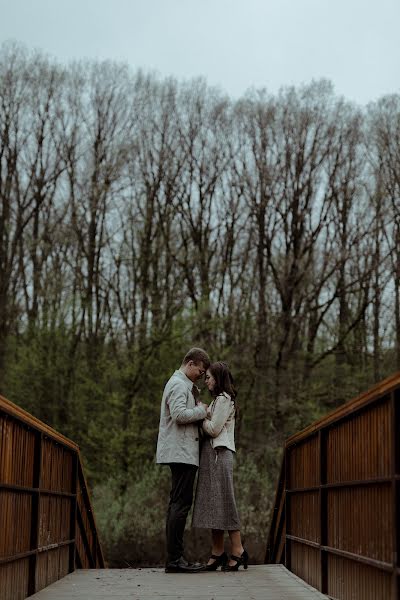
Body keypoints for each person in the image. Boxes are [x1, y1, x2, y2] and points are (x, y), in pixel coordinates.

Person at [156, 347, 210, 573]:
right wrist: (202, 411)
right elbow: (179, 415)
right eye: (200, 369)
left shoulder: (181, 383)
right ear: (190, 363)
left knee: (177, 504)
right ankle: (175, 560)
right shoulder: (179, 384)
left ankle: (174, 558)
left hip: (180, 452)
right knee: (180, 505)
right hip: (181, 453)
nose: (201, 374)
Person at [192, 361, 248, 571]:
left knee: (225, 502)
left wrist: (199, 416)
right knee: (214, 505)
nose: (206, 380)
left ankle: (238, 551)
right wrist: (204, 412)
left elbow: (214, 429)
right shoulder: (217, 401)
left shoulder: (225, 399)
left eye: (208, 377)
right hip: (212, 456)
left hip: (220, 454)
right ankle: (217, 553)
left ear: (218, 378)